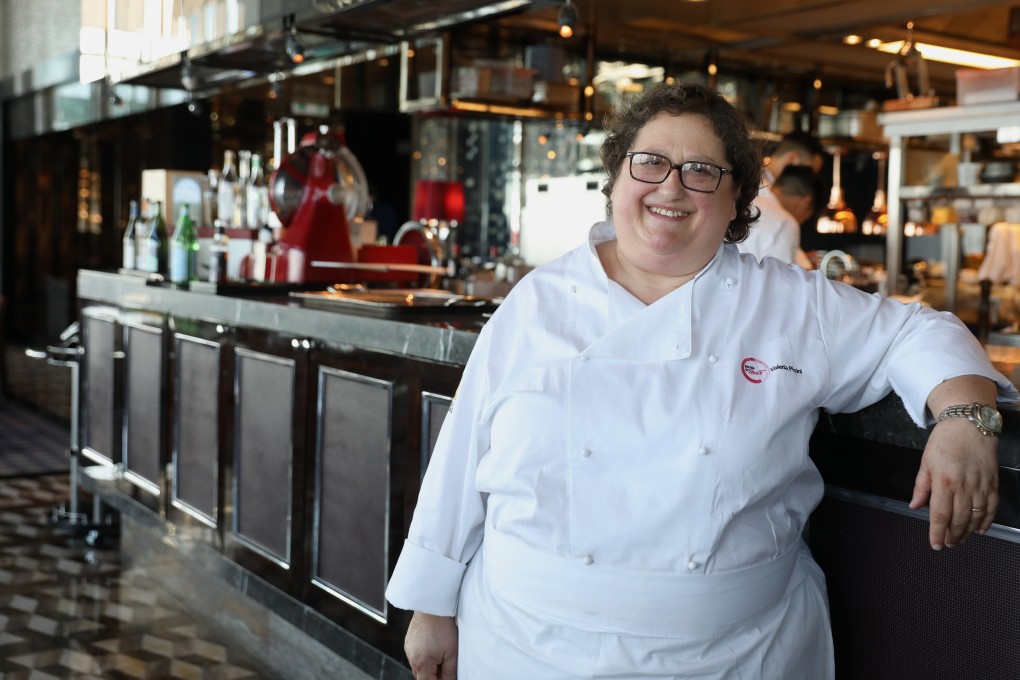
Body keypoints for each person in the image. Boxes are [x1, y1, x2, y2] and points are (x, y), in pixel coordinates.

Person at [385, 82, 1016, 679]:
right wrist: (431, 607)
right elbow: (463, 454)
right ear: (616, 176)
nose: (672, 187)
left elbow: (919, 332)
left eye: (702, 170)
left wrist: (965, 419)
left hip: (731, 653)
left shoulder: (791, 304)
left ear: (738, 197)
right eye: (650, 161)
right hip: (525, 642)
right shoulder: (539, 300)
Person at [738, 132, 825, 265]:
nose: (809, 179)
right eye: (809, 170)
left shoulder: (766, 188)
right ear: (792, 159)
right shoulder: (747, 182)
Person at [771, 165, 826, 269]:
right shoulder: (785, 222)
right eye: (805, 217)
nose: (800, 222)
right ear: (805, 202)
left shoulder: (750, 200)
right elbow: (784, 279)